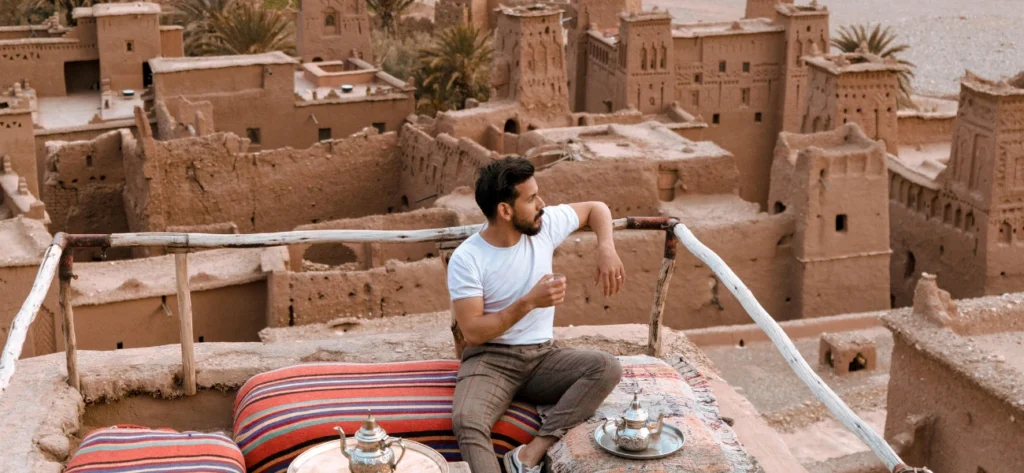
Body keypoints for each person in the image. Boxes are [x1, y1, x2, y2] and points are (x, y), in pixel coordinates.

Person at [446, 156, 625, 473]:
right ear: (505, 210)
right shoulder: (468, 258)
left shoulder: (542, 226)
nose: (542, 204)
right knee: (467, 421)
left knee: (605, 367)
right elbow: (473, 332)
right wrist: (528, 302)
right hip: (490, 360)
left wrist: (606, 247)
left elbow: (596, 208)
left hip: (542, 358)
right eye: (531, 199)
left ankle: (529, 455)